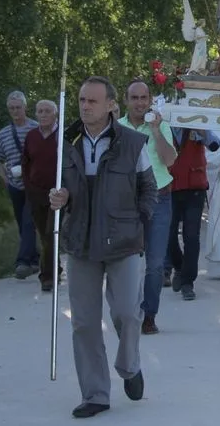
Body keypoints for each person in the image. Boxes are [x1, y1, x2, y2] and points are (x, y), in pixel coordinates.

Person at [48, 76, 157, 418]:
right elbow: (60, 188)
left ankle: (130, 366)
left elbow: (149, 189)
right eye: (82, 100)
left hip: (123, 242)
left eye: (92, 101)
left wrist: (136, 221)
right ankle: (95, 394)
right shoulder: (66, 142)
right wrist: (60, 198)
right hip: (80, 242)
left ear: (111, 105)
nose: (85, 106)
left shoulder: (133, 143)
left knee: (127, 313)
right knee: (84, 322)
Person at [118, 78, 177, 334]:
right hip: (126, 202)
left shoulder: (161, 126)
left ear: (150, 100)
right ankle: (126, 311)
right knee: (125, 260)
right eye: (135, 98)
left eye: (144, 98)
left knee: (155, 263)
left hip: (159, 199)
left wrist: (155, 131)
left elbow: (170, 160)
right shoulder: (117, 128)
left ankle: (149, 315)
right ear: (126, 101)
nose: (140, 103)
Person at [167, 127, 220, 293]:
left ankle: (187, 282)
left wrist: (202, 131)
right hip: (169, 186)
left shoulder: (196, 122)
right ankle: (179, 266)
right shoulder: (163, 124)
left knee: (191, 236)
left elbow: (214, 145)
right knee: (167, 235)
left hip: (194, 186)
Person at [0, 90, 39, 279]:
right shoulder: (3, 134)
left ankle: (22, 262)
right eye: (11, 108)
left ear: (25, 107)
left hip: (34, 185)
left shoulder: (36, 129)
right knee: (22, 223)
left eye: (18, 107)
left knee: (29, 221)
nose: (15, 111)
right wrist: (5, 178)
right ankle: (34, 259)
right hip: (15, 185)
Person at [21, 99, 64, 292]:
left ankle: (47, 277)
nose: (44, 114)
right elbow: (25, 163)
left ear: (55, 114)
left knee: (50, 233)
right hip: (36, 193)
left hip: (57, 193)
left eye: (47, 111)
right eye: (40, 111)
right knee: (44, 236)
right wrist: (29, 187)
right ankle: (55, 268)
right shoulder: (31, 136)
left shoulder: (62, 135)